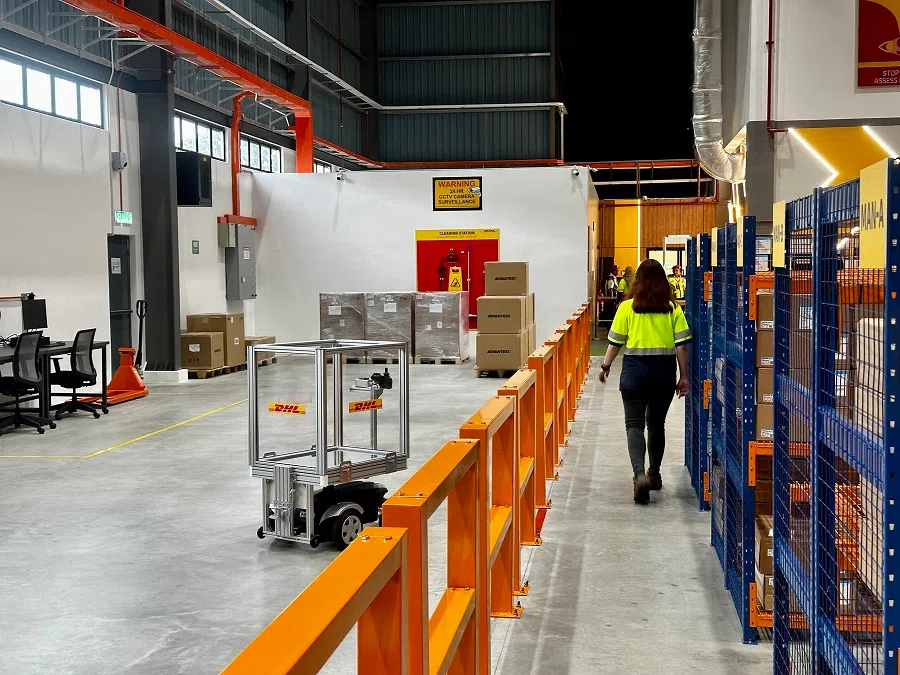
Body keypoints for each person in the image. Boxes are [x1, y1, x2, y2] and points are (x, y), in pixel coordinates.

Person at [598, 259, 692, 504]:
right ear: (663, 281)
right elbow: (681, 346)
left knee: (634, 424)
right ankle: (654, 473)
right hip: (662, 374)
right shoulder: (673, 309)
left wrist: (606, 366)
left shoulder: (627, 308)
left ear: (637, 281)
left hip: (634, 375)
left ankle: (638, 473)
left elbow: (615, 343)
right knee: (657, 424)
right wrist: (684, 377)